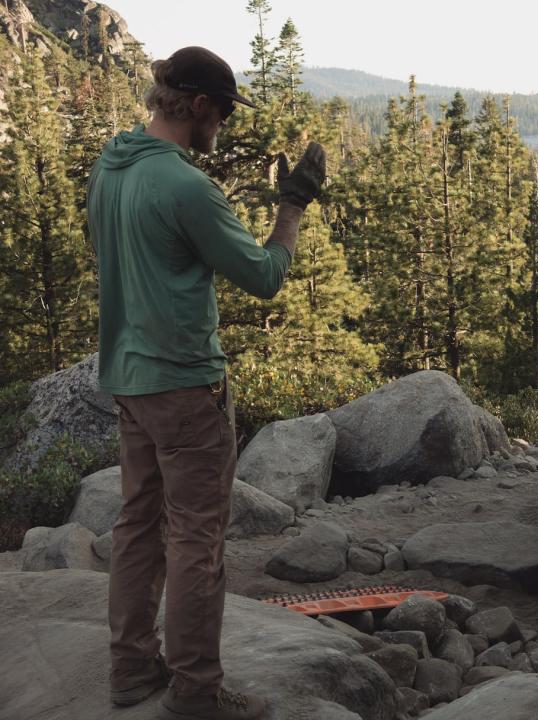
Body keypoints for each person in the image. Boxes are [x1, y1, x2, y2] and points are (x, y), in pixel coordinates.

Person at [86, 46, 326, 720]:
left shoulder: (111, 166)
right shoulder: (187, 187)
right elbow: (264, 275)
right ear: (196, 106)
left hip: (128, 378)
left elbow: (101, 248)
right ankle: (195, 693)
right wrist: (293, 205)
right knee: (195, 539)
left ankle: (131, 672)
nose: (221, 123)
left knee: (137, 526)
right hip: (187, 386)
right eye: (220, 111)